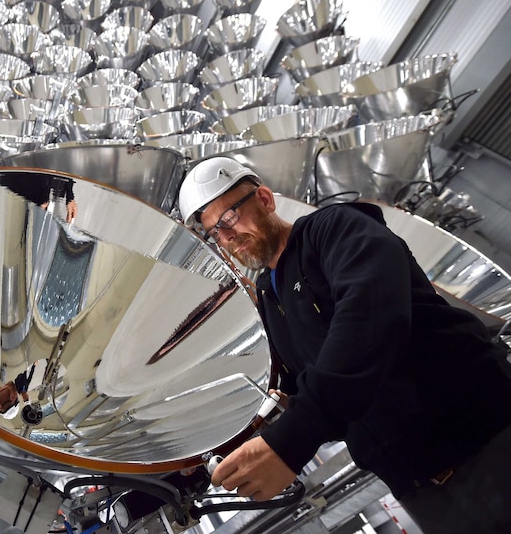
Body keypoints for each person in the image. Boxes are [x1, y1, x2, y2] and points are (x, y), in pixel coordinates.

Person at [177, 157, 511, 533]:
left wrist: (296, 437)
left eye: (230, 218)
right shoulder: (271, 301)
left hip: (486, 440)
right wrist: (211, 446)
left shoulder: (334, 229)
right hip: (421, 487)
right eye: (215, 233)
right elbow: (300, 390)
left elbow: (372, 315)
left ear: (266, 199)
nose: (227, 237)